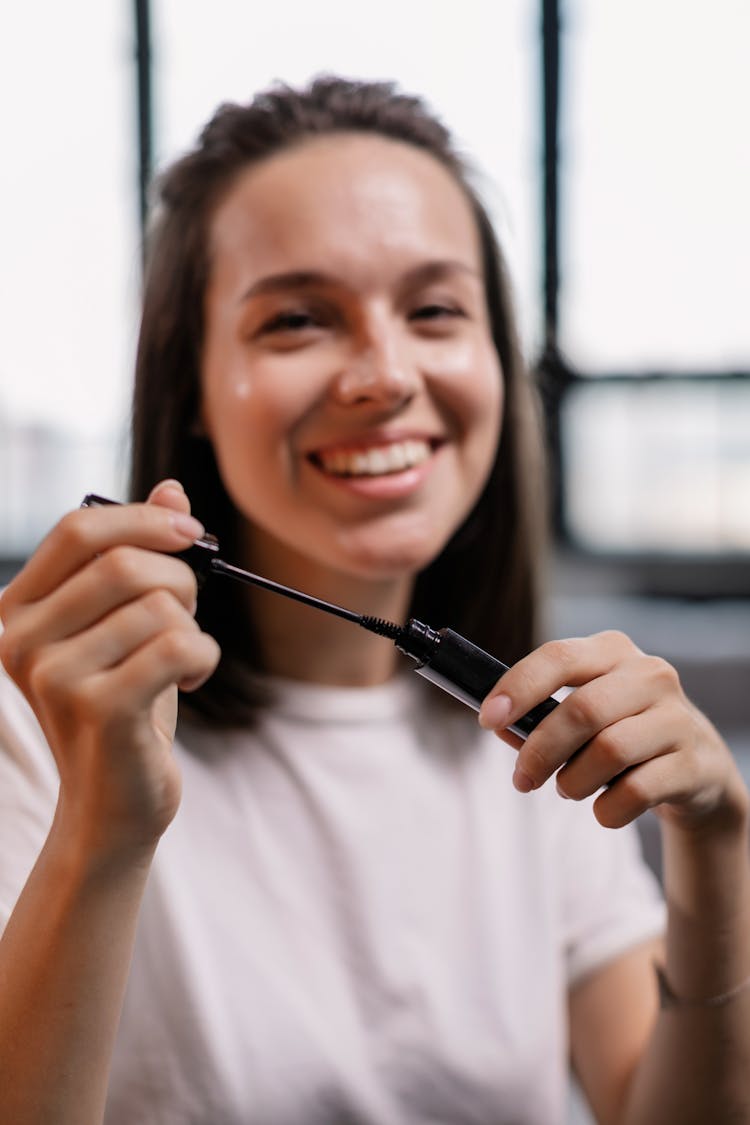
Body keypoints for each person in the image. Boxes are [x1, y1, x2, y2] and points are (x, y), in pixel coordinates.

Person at [0, 76, 748, 1125]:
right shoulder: (37, 729)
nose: (386, 374)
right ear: (194, 387)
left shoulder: (535, 728)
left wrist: (716, 854)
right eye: (299, 319)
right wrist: (102, 832)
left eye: (436, 310)